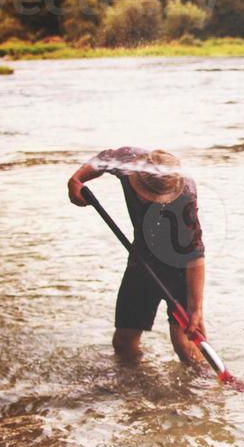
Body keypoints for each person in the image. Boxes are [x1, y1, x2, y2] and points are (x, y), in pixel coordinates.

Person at [66, 147, 210, 369]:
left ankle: (202, 390)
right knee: (123, 342)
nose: (151, 201)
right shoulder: (128, 163)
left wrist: (195, 308)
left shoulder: (185, 197)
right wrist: (76, 179)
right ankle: (137, 387)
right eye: (149, 195)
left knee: (184, 343)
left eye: (159, 198)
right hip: (141, 259)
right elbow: (103, 159)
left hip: (179, 265)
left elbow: (195, 254)